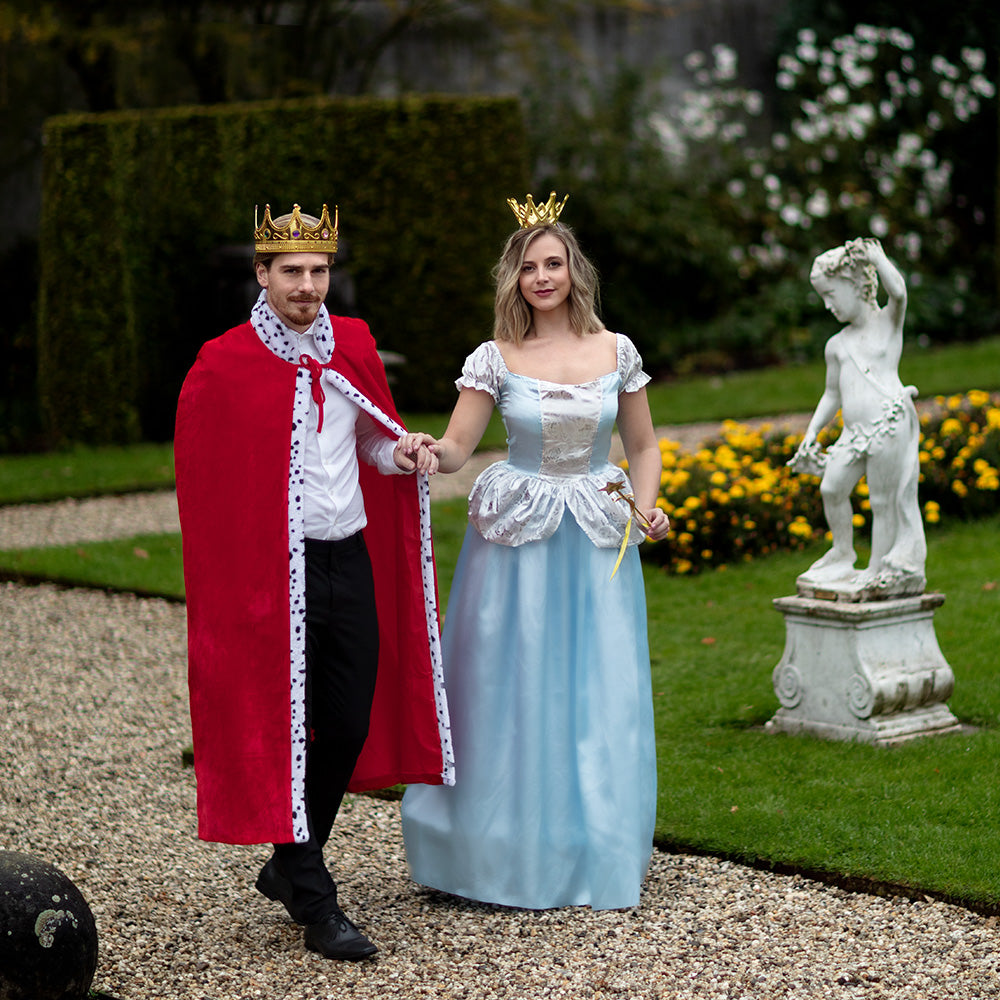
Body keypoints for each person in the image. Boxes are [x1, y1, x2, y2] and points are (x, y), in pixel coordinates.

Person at [174, 203, 454, 961]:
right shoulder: (224, 361)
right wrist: (231, 581)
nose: (306, 285)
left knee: (348, 719)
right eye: (291, 271)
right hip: (273, 570)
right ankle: (313, 894)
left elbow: (368, 438)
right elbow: (206, 480)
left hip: (347, 556)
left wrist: (401, 454)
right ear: (261, 274)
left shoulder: (352, 343)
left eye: (318, 271)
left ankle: (290, 861)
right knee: (283, 723)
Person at [400, 192, 670, 910]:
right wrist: (425, 449)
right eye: (528, 267)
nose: (541, 277)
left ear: (574, 270)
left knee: (598, 682)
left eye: (552, 264)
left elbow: (643, 446)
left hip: (597, 535)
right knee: (510, 682)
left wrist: (646, 506)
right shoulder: (495, 358)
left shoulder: (617, 350)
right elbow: (457, 449)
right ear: (513, 279)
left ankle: (594, 845)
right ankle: (496, 850)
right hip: (517, 543)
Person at [790, 237, 926, 594]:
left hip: (888, 425)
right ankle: (842, 552)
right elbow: (832, 394)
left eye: (831, 294)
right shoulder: (836, 345)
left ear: (855, 285)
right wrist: (812, 431)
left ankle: (878, 566)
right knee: (831, 487)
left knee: (882, 502)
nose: (827, 305)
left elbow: (899, 293)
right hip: (853, 434)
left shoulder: (887, 323)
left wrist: (876, 258)